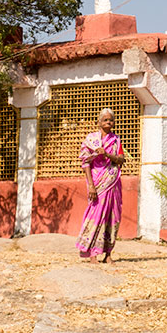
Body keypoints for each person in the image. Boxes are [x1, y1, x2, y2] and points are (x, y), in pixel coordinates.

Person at [75, 108, 126, 263]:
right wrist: (91, 185)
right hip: (97, 183)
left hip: (113, 183)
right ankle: (92, 253)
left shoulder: (116, 140)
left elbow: (121, 160)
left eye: (111, 120)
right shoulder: (91, 140)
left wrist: (107, 154)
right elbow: (85, 163)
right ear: (99, 122)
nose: (108, 122)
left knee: (112, 216)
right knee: (96, 215)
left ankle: (108, 253)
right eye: (105, 120)